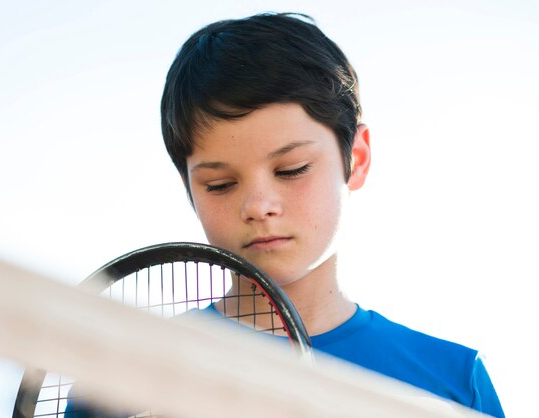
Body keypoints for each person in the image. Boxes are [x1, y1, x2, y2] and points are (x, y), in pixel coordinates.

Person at [66, 12, 504, 417]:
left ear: (357, 158)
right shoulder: (120, 375)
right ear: (189, 189)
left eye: (291, 170)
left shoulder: (452, 382)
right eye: (219, 184)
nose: (259, 206)